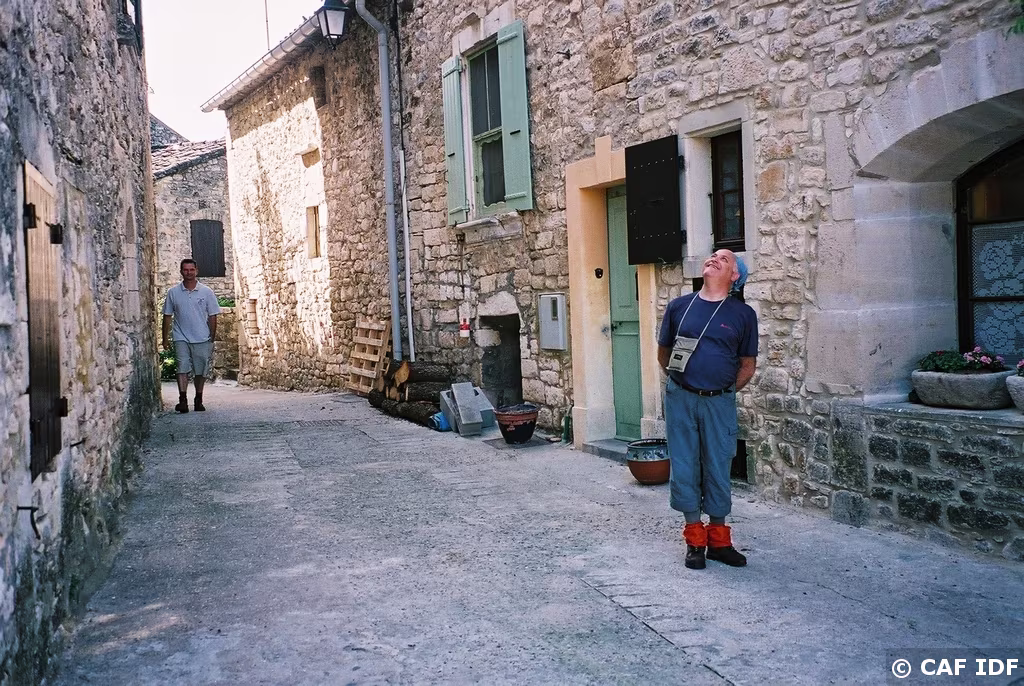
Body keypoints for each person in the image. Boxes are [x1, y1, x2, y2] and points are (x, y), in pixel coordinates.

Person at [657, 249, 757, 570]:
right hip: (681, 399)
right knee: (685, 464)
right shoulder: (679, 307)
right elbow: (664, 354)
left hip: (719, 402)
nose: (714, 258)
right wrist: (682, 385)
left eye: (724, 259)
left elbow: (747, 366)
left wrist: (721, 391)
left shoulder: (743, 315)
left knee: (718, 464)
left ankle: (719, 542)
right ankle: (695, 541)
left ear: (735, 276)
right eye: (713, 255)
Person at [162, 259, 220, 413]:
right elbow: (167, 316)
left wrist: (212, 336)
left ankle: (198, 398)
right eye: (186, 270)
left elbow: (213, 315)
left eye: (191, 270)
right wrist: (165, 338)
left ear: (196, 271)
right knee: (182, 367)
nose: (189, 273)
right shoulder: (173, 293)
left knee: (200, 371)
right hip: (180, 336)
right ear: (181, 271)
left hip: (202, 337)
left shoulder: (206, 292)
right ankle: (183, 400)